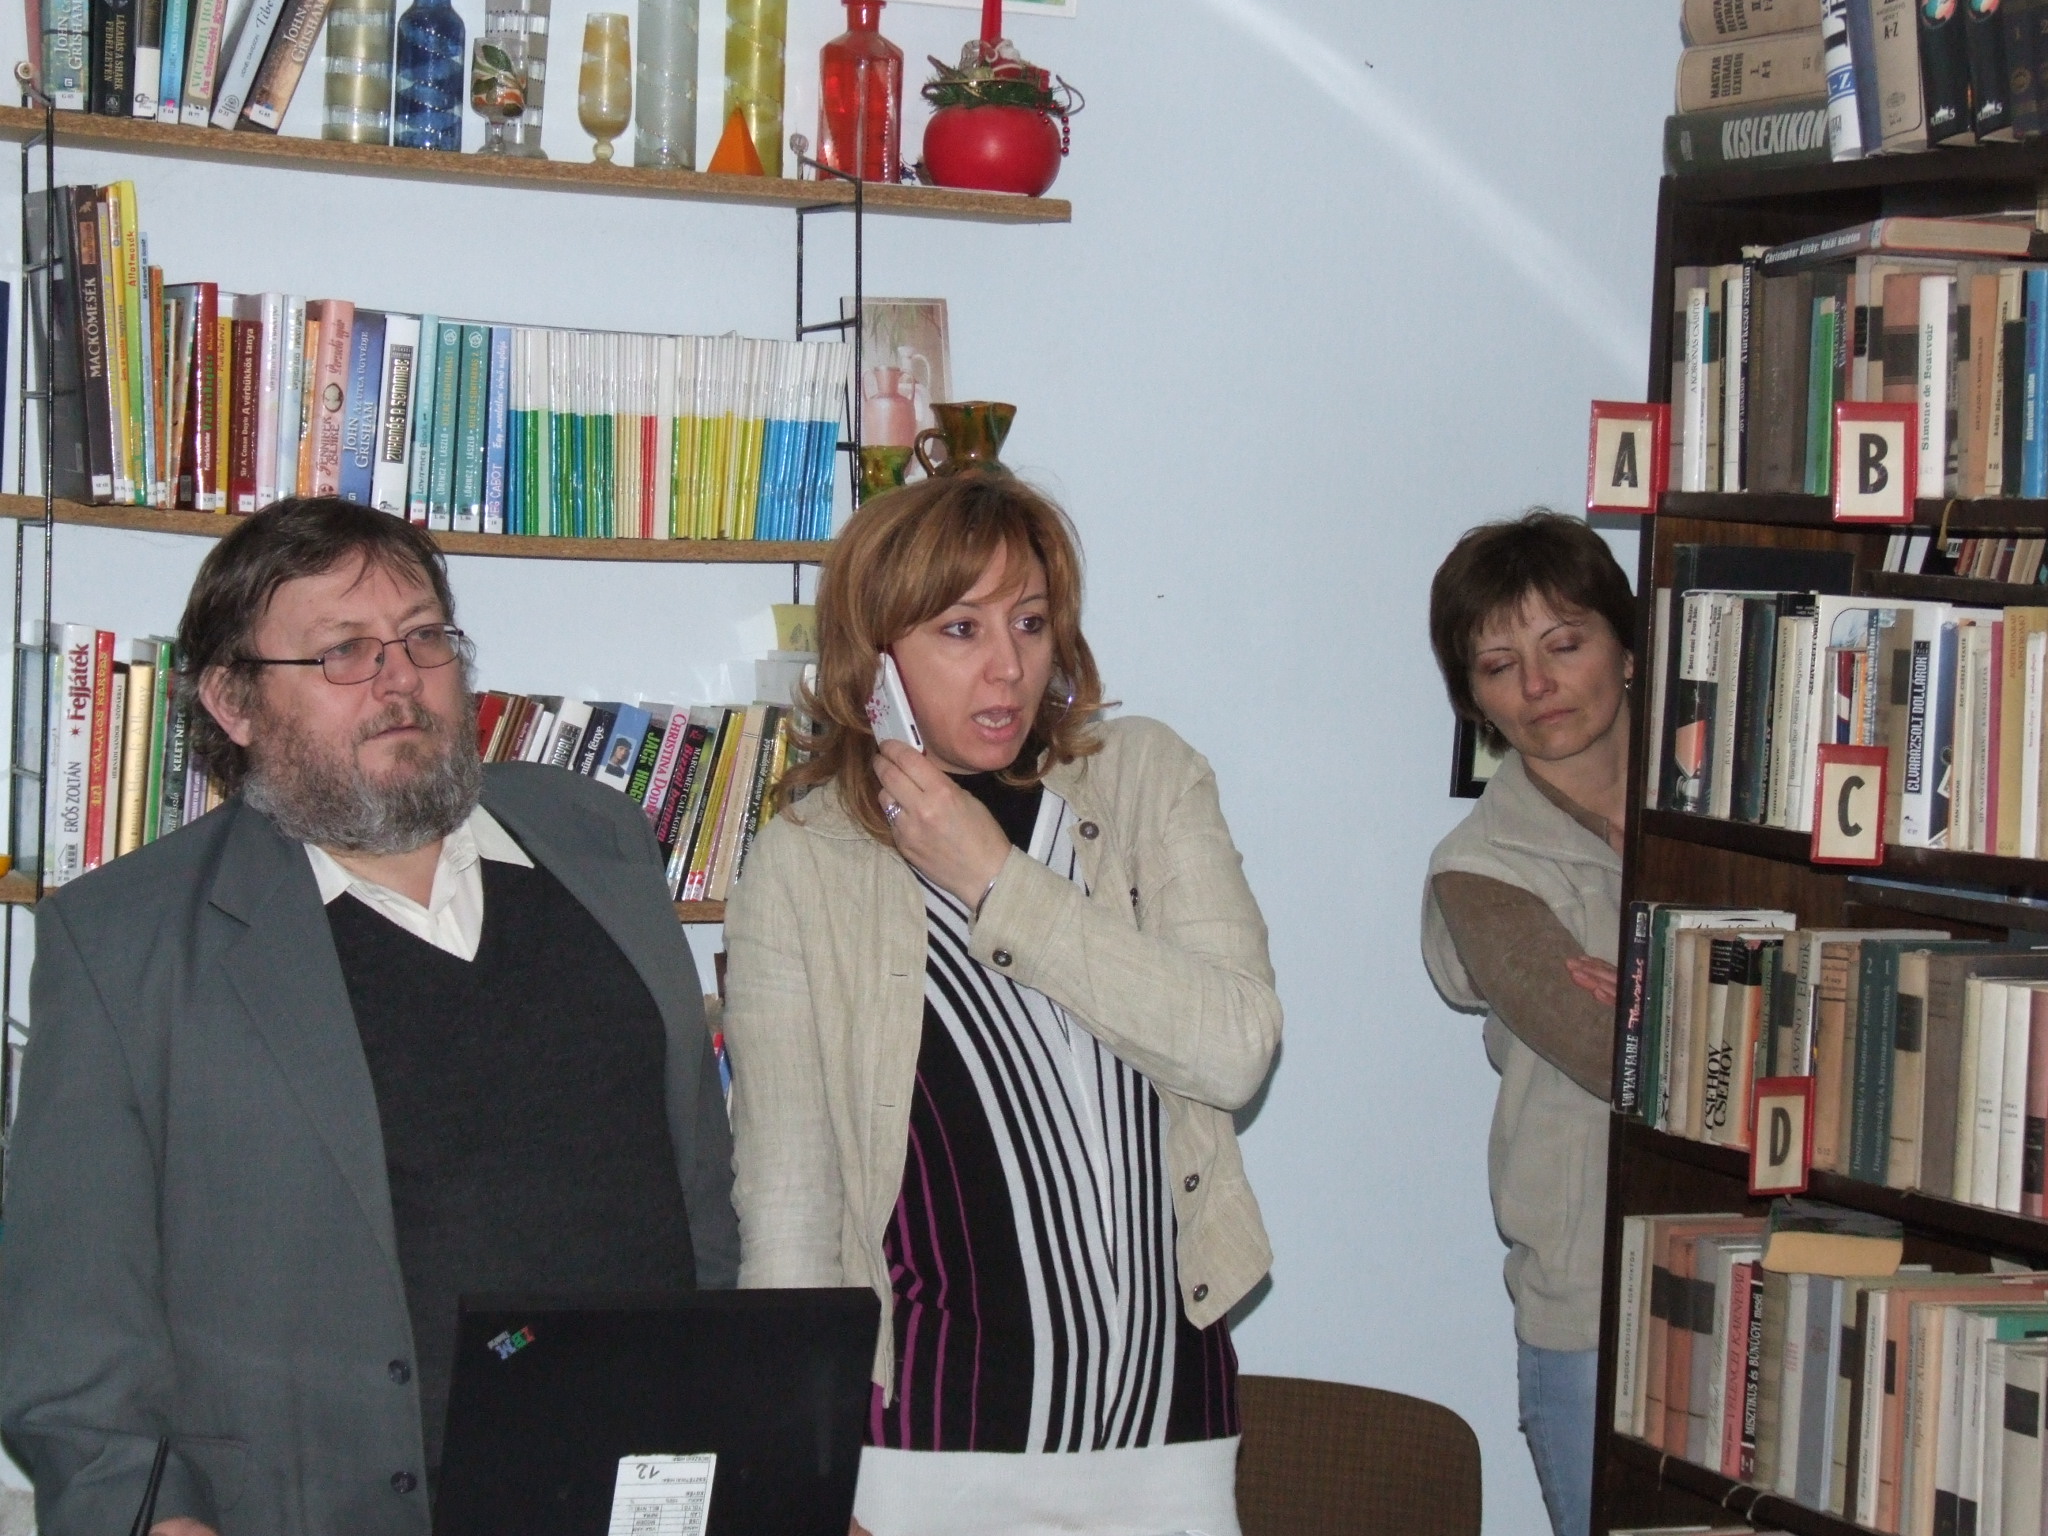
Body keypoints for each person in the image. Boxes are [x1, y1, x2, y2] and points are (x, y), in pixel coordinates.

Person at [0, 497, 738, 1536]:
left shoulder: (600, 841)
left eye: (423, 636)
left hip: (640, 1495)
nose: (400, 680)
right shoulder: (124, 943)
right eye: (343, 651)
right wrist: (153, 1516)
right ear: (234, 701)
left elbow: (702, 1198)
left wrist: (763, 1446)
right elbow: (74, 1326)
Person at [723, 472, 1280, 1536]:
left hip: (1168, 1433)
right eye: (959, 628)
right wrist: (798, 1467)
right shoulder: (805, 863)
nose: (1009, 666)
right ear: (873, 657)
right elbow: (790, 1203)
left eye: (1028, 622)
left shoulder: (1145, 781)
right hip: (927, 1449)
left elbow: (1235, 1047)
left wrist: (995, 880)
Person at [1420, 509, 1635, 1536]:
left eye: (1565, 644)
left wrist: (1651, 988)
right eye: (1500, 666)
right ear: (1474, 700)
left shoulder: (1740, 811)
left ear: (1627, 649)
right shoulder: (1476, 869)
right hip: (1592, 1313)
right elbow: (1612, 1051)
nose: (1538, 685)